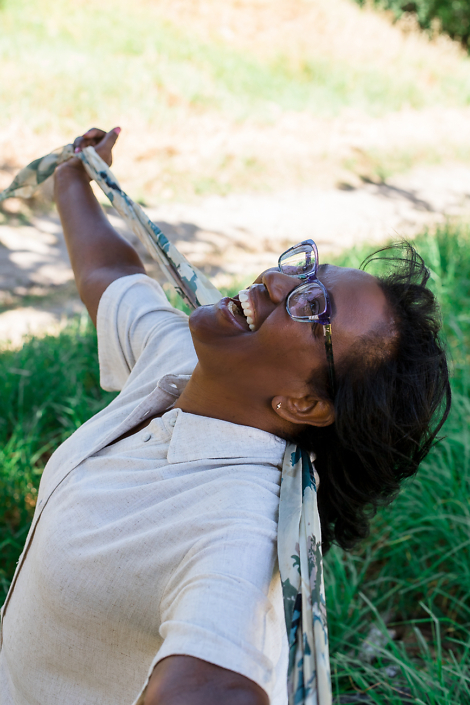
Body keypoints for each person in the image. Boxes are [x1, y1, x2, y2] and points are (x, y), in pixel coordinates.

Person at [0, 128, 451, 705]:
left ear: (306, 404)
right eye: (308, 273)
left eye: (312, 306)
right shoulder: (182, 361)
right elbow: (109, 279)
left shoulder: (239, 527)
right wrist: (72, 177)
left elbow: (218, 683)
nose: (277, 279)